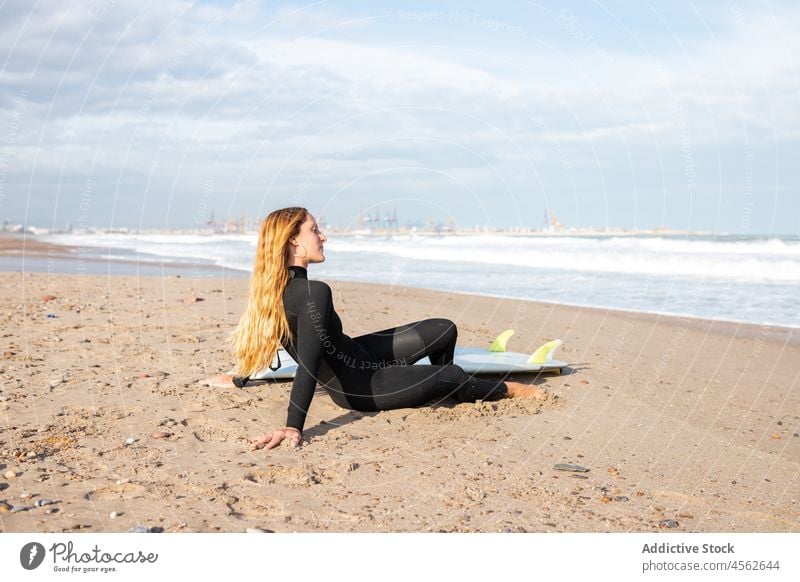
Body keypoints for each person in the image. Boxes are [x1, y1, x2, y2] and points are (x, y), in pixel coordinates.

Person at [207, 207, 545, 450]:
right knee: (452, 373)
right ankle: (484, 388)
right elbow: (307, 364)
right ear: (293, 243)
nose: (323, 236)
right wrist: (293, 425)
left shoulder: (276, 293)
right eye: (314, 230)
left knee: (443, 329)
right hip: (362, 387)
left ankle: (432, 388)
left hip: (360, 355)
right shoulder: (312, 293)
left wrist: (240, 378)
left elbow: (272, 344)